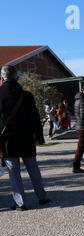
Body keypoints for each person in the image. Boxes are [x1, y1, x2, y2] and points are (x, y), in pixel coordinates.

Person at [0, 65, 50, 211]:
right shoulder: (26, 95)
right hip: (26, 138)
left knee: (13, 172)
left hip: (7, 140)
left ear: (2, 77)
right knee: (33, 168)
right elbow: (35, 117)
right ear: (17, 77)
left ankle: (20, 203)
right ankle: (42, 197)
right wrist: (39, 137)